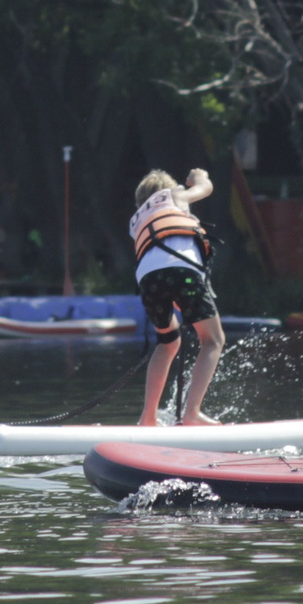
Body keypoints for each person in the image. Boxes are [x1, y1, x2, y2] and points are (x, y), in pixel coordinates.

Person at [127, 168, 226, 426]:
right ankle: (192, 412)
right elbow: (206, 188)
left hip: (149, 282)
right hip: (182, 272)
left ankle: (148, 417)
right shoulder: (174, 196)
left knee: (168, 343)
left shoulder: (136, 220)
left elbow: (158, 259)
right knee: (213, 340)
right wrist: (198, 177)